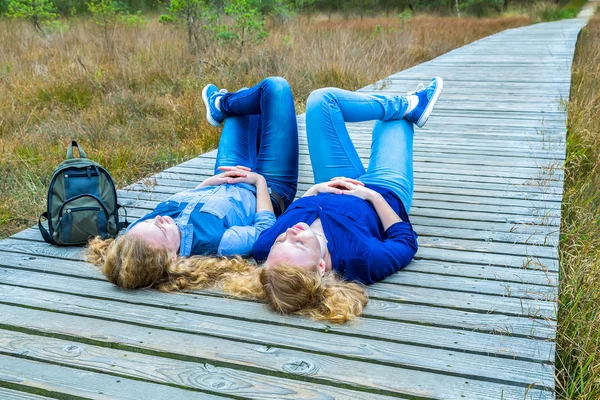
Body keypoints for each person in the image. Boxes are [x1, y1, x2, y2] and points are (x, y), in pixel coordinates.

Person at [221, 77, 443, 323]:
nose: (291, 233)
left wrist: (314, 190)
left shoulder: (267, 247)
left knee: (321, 100)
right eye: (299, 244)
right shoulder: (362, 259)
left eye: (281, 241)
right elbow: (405, 241)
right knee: (391, 124)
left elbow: (289, 216)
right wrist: (372, 195)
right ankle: (406, 106)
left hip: (332, 180)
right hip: (385, 188)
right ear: (320, 267)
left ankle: (407, 103)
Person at [87, 77, 299, 291]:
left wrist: (209, 183)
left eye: (151, 222)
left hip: (226, 174)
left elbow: (188, 204)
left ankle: (222, 104)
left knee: (244, 97)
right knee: (275, 88)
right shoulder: (216, 242)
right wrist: (258, 181)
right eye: (160, 229)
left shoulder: (137, 234)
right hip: (268, 186)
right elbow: (264, 230)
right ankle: (220, 104)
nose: (160, 219)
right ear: (172, 257)